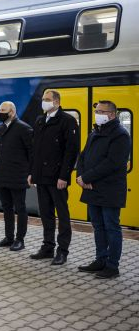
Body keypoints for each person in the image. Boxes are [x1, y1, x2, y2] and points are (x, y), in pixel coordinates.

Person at [76, 100, 130, 279]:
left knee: (111, 227)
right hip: (92, 188)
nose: (97, 114)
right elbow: (83, 156)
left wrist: (87, 178)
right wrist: (82, 177)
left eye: (101, 111)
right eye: (96, 111)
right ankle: (100, 259)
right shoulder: (95, 132)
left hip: (110, 189)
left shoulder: (120, 135)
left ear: (112, 114)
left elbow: (112, 163)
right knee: (98, 226)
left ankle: (112, 266)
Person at [29, 89, 79, 265]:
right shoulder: (40, 120)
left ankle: (63, 250)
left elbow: (71, 152)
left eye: (47, 99)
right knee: (46, 214)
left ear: (57, 102)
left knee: (62, 215)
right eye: (43, 99)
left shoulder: (68, 121)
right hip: (41, 177)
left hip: (58, 178)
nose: (44, 102)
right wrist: (31, 173)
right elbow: (35, 150)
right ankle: (47, 247)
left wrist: (64, 176)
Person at [0, 101, 33, 251]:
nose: (0, 112)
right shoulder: (0, 128)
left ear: (12, 112)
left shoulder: (24, 128)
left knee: (20, 208)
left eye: (3, 110)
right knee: (6, 208)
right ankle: (8, 237)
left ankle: (20, 239)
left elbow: (31, 153)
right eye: (0, 109)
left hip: (17, 175)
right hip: (2, 175)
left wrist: (30, 173)